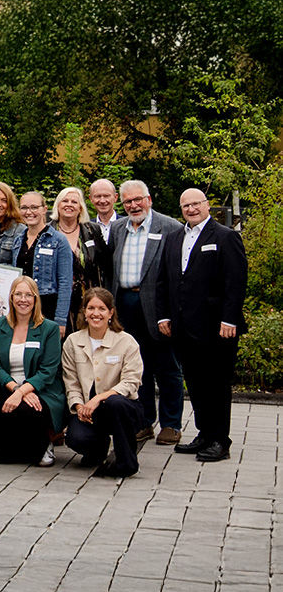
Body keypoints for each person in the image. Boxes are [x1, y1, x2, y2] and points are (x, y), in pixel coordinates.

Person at [158, 189, 247, 463]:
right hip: (184, 327)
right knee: (195, 383)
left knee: (217, 383)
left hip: (218, 326)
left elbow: (236, 281)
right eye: (186, 205)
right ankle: (204, 434)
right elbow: (164, 281)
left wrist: (229, 318)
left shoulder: (225, 237)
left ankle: (220, 439)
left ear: (207, 206)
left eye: (196, 203)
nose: (191, 209)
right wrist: (164, 317)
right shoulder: (174, 239)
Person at [108, 179, 183, 444]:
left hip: (157, 306)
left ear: (148, 199)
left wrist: (170, 313)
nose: (133, 205)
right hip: (125, 303)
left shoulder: (170, 227)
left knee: (167, 366)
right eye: (128, 201)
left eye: (138, 199)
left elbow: (177, 275)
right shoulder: (118, 228)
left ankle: (171, 424)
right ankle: (144, 421)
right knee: (136, 367)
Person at [62, 288, 144, 477]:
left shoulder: (127, 342)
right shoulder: (72, 342)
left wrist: (99, 398)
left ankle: (127, 461)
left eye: (102, 308)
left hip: (122, 408)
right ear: (84, 311)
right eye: (91, 308)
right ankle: (97, 449)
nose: (96, 314)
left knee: (115, 403)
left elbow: (131, 382)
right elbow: (71, 381)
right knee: (76, 438)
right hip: (87, 410)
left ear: (111, 312)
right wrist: (79, 406)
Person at [0, 276, 66, 466]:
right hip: (9, 390)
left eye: (28, 295)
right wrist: (16, 390)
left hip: (42, 392)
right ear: (11, 297)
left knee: (28, 409)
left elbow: (48, 370)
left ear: (36, 299)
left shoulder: (50, 328)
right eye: (18, 294)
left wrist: (24, 391)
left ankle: (45, 441)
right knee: (2, 456)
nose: (23, 300)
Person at [9, 191, 73, 332]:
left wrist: (61, 320)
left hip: (48, 308)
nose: (29, 212)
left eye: (34, 207)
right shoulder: (18, 241)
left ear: (44, 210)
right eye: (24, 208)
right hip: (22, 309)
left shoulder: (59, 241)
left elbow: (65, 282)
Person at [51, 186, 111, 325]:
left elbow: (106, 264)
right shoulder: (48, 232)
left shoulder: (92, 230)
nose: (69, 205)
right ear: (58, 205)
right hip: (58, 300)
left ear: (80, 208)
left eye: (74, 202)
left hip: (89, 300)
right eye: (65, 201)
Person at [89, 179, 121, 244]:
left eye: (106, 196)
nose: (102, 201)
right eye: (98, 196)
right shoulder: (86, 228)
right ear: (91, 199)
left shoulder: (127, 225)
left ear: (115, 197)